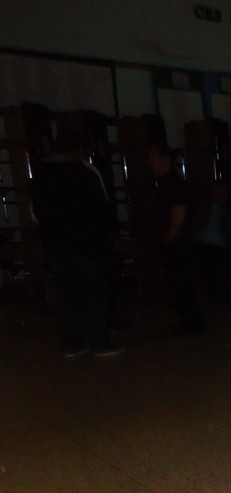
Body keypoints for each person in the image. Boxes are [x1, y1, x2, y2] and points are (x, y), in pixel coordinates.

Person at [31, 128, 123, 358]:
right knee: (94, 293)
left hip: (55, 245)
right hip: (87, 244)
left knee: (66, 294)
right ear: (80, 149)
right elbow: (103, 209)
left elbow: (36, 213)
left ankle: (71, 343)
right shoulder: (87, 172)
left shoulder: (41, 173)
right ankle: (100, 341)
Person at [148, 144, 203, 334]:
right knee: (179, 282)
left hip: (177, 242)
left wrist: (170, 235)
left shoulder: (173, 183)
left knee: (182, 281)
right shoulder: (166, 182)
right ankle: (187, 319)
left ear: (165, 159)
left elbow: (179, 211)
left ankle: (191, 321)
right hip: (176, 240)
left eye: (153, 157)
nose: (150, 161)